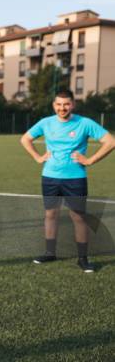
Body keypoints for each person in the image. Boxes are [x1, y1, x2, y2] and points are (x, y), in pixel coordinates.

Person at [20, 89, 114, 272]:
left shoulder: (84, 123)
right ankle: (49, 253)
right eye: (59, 104)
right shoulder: (46, 123)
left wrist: (90, 160)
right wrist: (37, 158)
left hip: (75, 178)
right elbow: (25, 139)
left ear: (73, 104)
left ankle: (83, 259)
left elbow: (110, 142)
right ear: (54, 105)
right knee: (50, 215)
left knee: (78, 217)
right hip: (50, 177)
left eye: (66, 104)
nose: (62, 108)